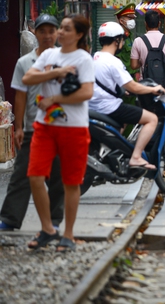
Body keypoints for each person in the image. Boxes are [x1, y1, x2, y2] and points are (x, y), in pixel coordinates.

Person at [22, 14, 95, 252]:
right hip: (44, 127)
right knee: (35, 176)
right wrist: (55, 73)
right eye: (60, 28)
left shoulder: (83, 59)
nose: (59, 33)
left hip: (74, 128)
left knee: (71, 182)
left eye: (65, 29)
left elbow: (86, 93)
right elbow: (28, 78)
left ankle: (68, 235)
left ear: (79, 34)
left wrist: (55, 98)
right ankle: (47, 229)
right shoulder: (48, 55)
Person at [0, 14, 65, 232]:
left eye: (51, 31)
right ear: (35, 33)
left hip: (59, 128)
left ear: (57, 33)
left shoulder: (67, 59)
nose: (47, 36)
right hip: (32, 129)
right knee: (22, 174)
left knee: (57, 175)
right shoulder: (24, 62)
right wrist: (18, 127)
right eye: (42, 31)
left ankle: (54, 220)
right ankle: (10, 219)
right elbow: (20, 96)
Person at [90, 22, 165, 170]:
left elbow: (103, 83)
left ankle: (111, 152)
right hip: (109, 107)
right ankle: (136, 157)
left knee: (123, 121)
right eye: (122, 40)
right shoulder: (113, 61)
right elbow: (132, 86)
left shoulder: (94, 57)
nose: (123, 43)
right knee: (152, 119)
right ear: (116, 40)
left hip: (93, 107)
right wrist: (153, 89)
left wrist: (123, 91)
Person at [130, 10, 165, 115]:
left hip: (146, 88)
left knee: (148, 118)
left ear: (145, 23)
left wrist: (143, 61)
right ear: (159, 23)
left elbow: (133, 65)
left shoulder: (138, 41)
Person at [114, 3, 137, 78]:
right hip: (123, 77)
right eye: (130, 19)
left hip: (131, 76)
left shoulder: (129, 35)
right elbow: (116, 59)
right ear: (121, 21)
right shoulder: (119, 37)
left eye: (133, 19)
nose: (132, 21)